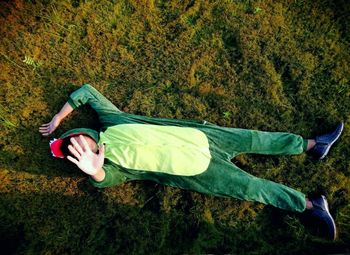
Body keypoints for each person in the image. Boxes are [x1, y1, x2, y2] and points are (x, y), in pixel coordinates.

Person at [39, 84, 344, 240]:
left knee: (257, 138)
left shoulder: (111, 119)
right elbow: (105, 180)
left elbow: (87, 93)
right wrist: (95, 171)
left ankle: (314, 145)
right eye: (76, 152)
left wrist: (58, 117)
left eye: (78, 140)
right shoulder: (115, 167)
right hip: (203, 173)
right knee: (253, 188)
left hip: (205, 136)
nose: (81, 146)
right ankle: (309, 206)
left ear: (84, 133)